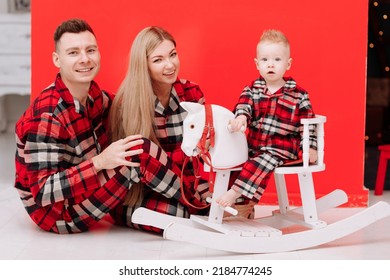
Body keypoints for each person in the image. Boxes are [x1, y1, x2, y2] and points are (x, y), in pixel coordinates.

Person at [14, 19, 204, 234]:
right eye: (74, 53)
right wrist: (99, 162)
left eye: (90, 50)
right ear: (57, 60)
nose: (85, 59)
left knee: (176, 212)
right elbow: (43, 192)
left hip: (89, 192)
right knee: (137, 151)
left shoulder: (95, 97)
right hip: (58, 213)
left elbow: (130, 103)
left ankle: (198, 210)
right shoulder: (47, 114)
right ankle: (200, 205)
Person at [109, 26, 210, 232]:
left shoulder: (191, 92)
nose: (170, 64)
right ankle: (196, 207)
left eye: (173, 55)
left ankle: (198, 206)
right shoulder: (127, 103)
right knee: (182, 215)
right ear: (144, 65)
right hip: (142, 194)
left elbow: (198, 158)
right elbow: (134, 165)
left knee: (230, 205)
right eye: (158, 60)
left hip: (186, 186)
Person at [216, 29, 317, 212]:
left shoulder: (298, 94)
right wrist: (241, 117)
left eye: (277, 60)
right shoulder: (252, 89)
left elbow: (308, 124)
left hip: (282, 147)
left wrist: (310, 148)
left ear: (288, 63)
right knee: (237, 159)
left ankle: (235, 193)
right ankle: (244, 207)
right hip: (254, 145)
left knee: (263, 160)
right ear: (257, 64)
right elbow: (243, 105)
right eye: (265, 60)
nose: (271, 64)